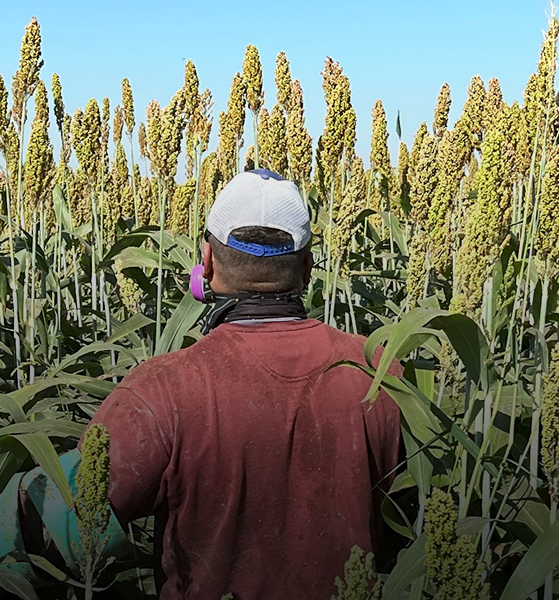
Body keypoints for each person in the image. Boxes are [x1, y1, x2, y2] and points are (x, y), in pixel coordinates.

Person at [87, 168, 404, 599]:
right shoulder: (381, 371)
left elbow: (67, 516)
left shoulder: (162, 389)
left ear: (208, 261)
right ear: (308, 266)